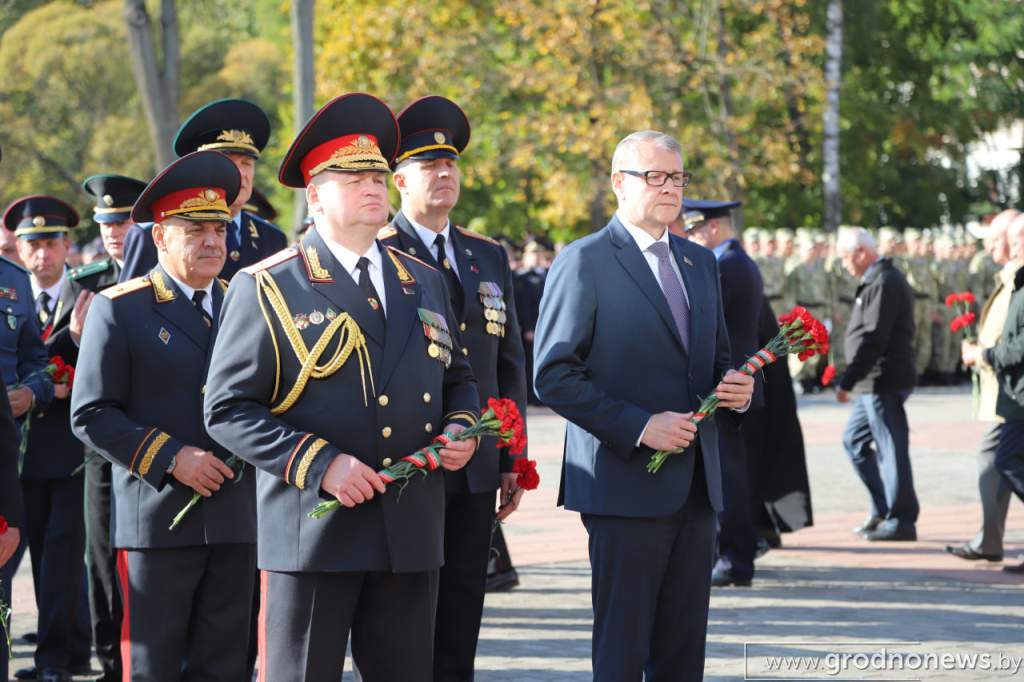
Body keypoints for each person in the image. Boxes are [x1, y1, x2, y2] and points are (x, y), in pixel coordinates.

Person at [203, 93, 480, 682]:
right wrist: (321, 464)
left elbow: (458, 374)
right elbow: (227, 408)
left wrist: (463, 427)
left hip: (408, 524)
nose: (372, 188)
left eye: (377, 176)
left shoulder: (423, 279)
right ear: (316, 196)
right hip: (315, 527)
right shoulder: (270, 283)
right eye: (353, 179)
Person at [533, 130, 753, 680]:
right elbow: (553, 375)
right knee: (623, 649)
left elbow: (718, 360)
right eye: (655, 176)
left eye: (677, 177)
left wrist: (738, 390)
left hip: (696, 488)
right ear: (619, 183)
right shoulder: (585, 260)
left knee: (683, 652)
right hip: (623, 486)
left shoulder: (699, 262)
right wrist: (638, 426)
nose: (670, 188)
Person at [71, 151, 258, 681]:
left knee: (226, 667)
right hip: (158, 521)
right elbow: (91, 413)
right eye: (195, 230)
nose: (212, 242)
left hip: (237, 519)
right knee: (152, 668)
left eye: (218, 229)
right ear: (159, 237)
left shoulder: (247, 304)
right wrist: (172, 458)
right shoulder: (120, 307)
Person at [378, 95, 528, 681]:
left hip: (477, 463)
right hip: (411, 460)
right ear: (399, 181)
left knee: (464, 606)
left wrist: (512, 456)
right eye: (428, 166)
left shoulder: (485, 254)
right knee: (407, 611)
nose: (444, 174)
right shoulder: (381, 251)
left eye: (450, 165)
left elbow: (507, 364)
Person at [3, 194, 92, 682]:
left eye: (51, 243)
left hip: (71, 450)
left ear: (66, 245)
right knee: (30, 553)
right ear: (18, 247)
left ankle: (55, 659)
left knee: (61, 554)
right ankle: (69, 648)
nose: (42, 254)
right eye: (31, 244)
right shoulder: (11, 294)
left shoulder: (90, 293)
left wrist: (75, 341)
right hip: (18, 452)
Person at [683, 198, 764, 587]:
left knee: (726, 476)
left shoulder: (726, 264)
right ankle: (733, 554)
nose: (692, 239)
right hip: (734, 382)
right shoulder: (737, 260)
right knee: (729, 472)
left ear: (712, 227)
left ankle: (733, 558)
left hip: (728, 384)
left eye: (695, 231)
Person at [119, 98, 287, 282]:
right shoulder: (157, 235)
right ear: (198, 167)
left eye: (246, 163)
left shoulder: (272, 238)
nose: (240, 173)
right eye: (227, 162)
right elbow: (132, 299)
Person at [834, 227, 919, 541]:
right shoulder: (876, 278)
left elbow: (874, 338)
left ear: (861, 252)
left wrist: (848, 379)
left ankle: (901, 520)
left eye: (845, 257)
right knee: (854, 441)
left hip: (883, 379)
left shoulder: (884, 281)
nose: (844, 264)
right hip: (872, 382)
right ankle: (883, 509)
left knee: (891, 449)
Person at [946, 209, 1020, 564]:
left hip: (1013, 391)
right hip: (1004, 389)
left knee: (1000, 461)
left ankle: (989, 540)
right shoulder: (1009, 276)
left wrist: (984, 354)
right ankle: (989, 539)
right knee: (997, 462)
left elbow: (1016, 340)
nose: (991, 248)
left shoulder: (1017, 277)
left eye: (997, 240)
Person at [514, 236, 552, 405]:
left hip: (547, 327)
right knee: (530, 363)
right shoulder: (522, 278)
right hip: (531, 328)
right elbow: (523, 305)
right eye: (532, 254)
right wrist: (528, 327)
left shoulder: (548, 274)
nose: (536, 257)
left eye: (538, 253)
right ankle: (532, 396)